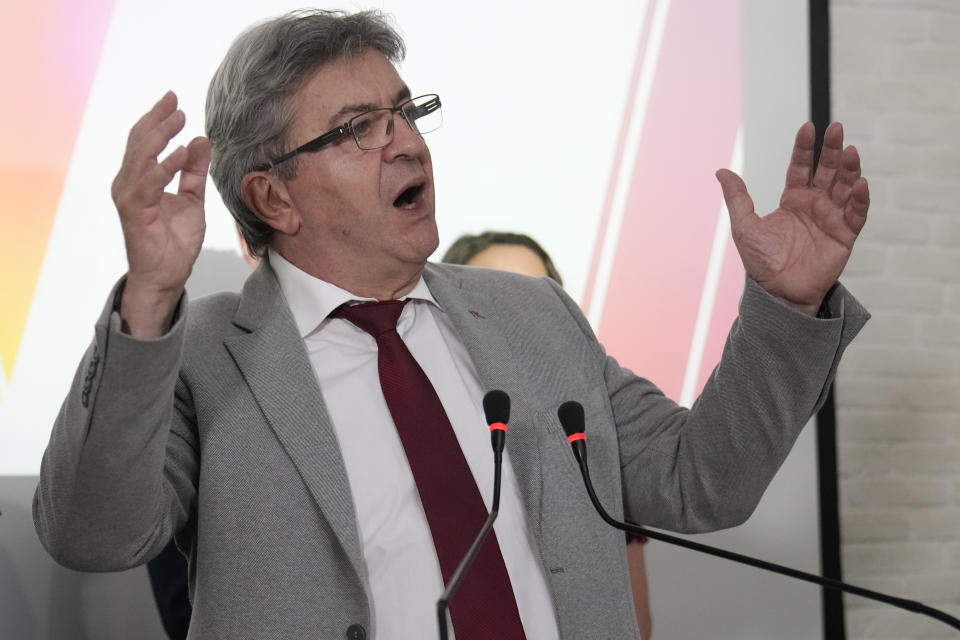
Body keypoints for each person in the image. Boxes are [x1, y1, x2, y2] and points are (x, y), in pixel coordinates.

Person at [33, 9, 870, 640]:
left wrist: (788, 306)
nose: (407, 143)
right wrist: (147, 298)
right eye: (361, 128)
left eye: (405, 112)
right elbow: (92, 534)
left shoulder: (530, 315)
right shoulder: (204, 353)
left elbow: (700, 480)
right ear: (273, 196)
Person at [443, 230, 653, 639]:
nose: (511, 320)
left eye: (526, 301)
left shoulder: (587, 447)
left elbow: (635, 626)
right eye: (491, 301)